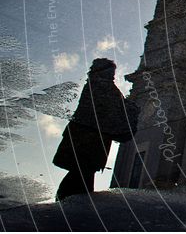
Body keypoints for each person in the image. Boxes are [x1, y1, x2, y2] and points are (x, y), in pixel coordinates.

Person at [53, 58, 138, 201]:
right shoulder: (101, 86)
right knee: (82, 174)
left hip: (87, 138)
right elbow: (112, 109)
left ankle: (69, 202)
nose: (112, 74)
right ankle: (69, 203)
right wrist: (132, 108)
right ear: (103, 70)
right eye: (110, 70)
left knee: (82, 173)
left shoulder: (95, 84)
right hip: (90, 140)